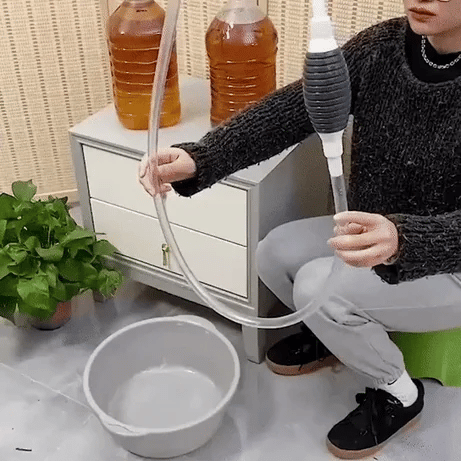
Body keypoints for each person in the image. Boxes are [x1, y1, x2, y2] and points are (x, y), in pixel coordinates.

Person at [139, 0, 461, 458]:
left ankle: (400, 394)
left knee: (316, 288)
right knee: (273, 253)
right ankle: (333, 335)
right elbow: (295, 109)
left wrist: (406, 239)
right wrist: (203, 158)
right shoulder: (384, 46)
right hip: (370, 233)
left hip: (445, 262)